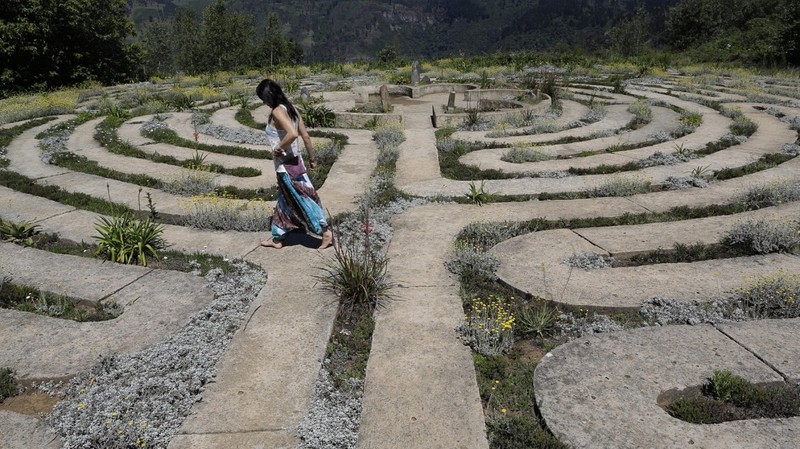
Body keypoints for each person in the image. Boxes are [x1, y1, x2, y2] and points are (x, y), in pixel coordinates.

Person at [256, 78, 333, 249]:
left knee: (304, 200)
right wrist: (312, 159)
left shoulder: (277, 111)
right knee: (285, 199)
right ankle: (277, 237)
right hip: (297, 162)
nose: (263, 102)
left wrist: (278, 148)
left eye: (263, 98)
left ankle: (324, 232)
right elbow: (306, 136)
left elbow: (292, 134)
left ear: (268, 96)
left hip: (286, 166)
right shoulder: (292, 109)